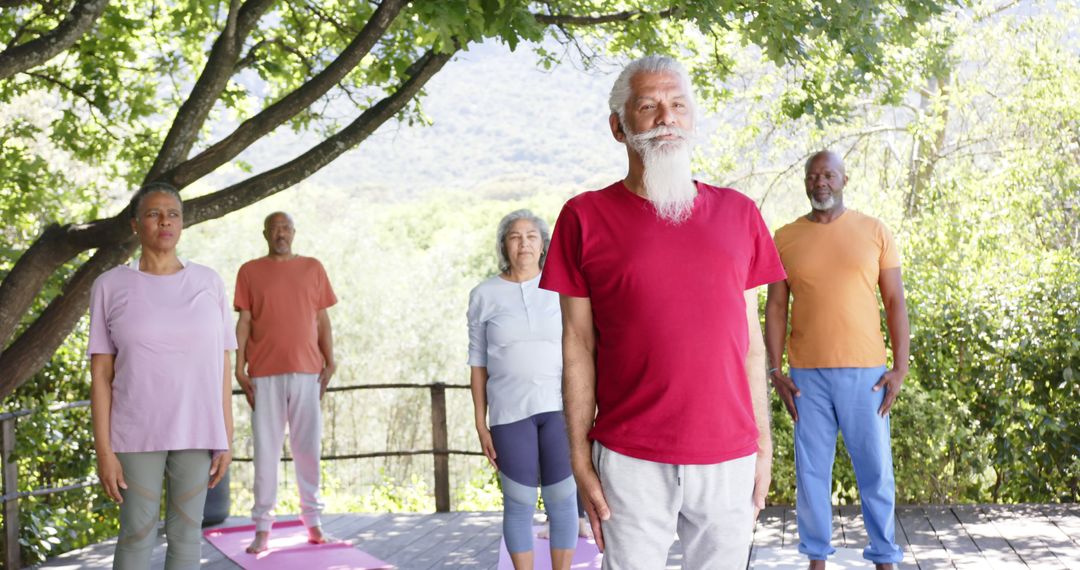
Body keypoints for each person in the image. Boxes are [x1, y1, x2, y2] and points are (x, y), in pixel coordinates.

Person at [540, 55, 787, 569]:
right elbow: (577, 345)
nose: (665, 118)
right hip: (629, 457)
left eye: (678, 105)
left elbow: (750, 341)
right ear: (619, 126)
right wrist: (578, 459)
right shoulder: (583, 217)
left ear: (692, 119)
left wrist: (762, 447)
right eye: (648, 106)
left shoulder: (740, 214)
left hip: (729, 455)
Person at [764, 150, 910, 570]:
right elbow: (776, 307)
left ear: (845, 179)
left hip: (866, 375)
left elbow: (895, 300)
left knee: (875, 471)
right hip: (806, 376)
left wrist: (899, 368)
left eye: (829, 175)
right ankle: (816, 558)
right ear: (806, 182)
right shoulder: (785, 237)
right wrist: (775, 371)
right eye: (813, 176)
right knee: (811, 475)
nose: (820, 182)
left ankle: (884, 557)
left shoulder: (874, 231)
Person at [89, 183, 235, 569]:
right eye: (154, 213)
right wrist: (104, 452)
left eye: (173, 213)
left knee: (188, 535)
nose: (165, 221)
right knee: (137, 533)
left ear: (182, 223)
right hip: (135, 430)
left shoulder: (209, 283)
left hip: (198, 429)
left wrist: (226, 436)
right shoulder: (109, 285)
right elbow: (101, 375)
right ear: (136, 225)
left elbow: (222, 365)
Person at [468, 209, 580, 570]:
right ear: (504, 245)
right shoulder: (484, 294)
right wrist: (480, 423)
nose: (524, 243)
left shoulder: (562, 288)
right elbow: (477, 363)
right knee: (518, 502)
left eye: (531, 236)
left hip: (559, 409)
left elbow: (582, 347)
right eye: (515, 236)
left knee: (562, 500)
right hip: (508, 412)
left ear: (544, 245)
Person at [234, 212, 337, 553]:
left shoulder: (313, 268)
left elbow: (322, 320)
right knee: (266, 450)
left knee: (308, 449)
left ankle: (314, 522)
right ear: (265, 233)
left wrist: (330, 360)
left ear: (294, 232)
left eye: (286, 228)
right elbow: (244, 322)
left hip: (308, 371)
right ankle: (263, 528)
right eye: (275, 228)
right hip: (263, 373)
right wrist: (239, 367)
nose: (281, 233)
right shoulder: (250, 271)